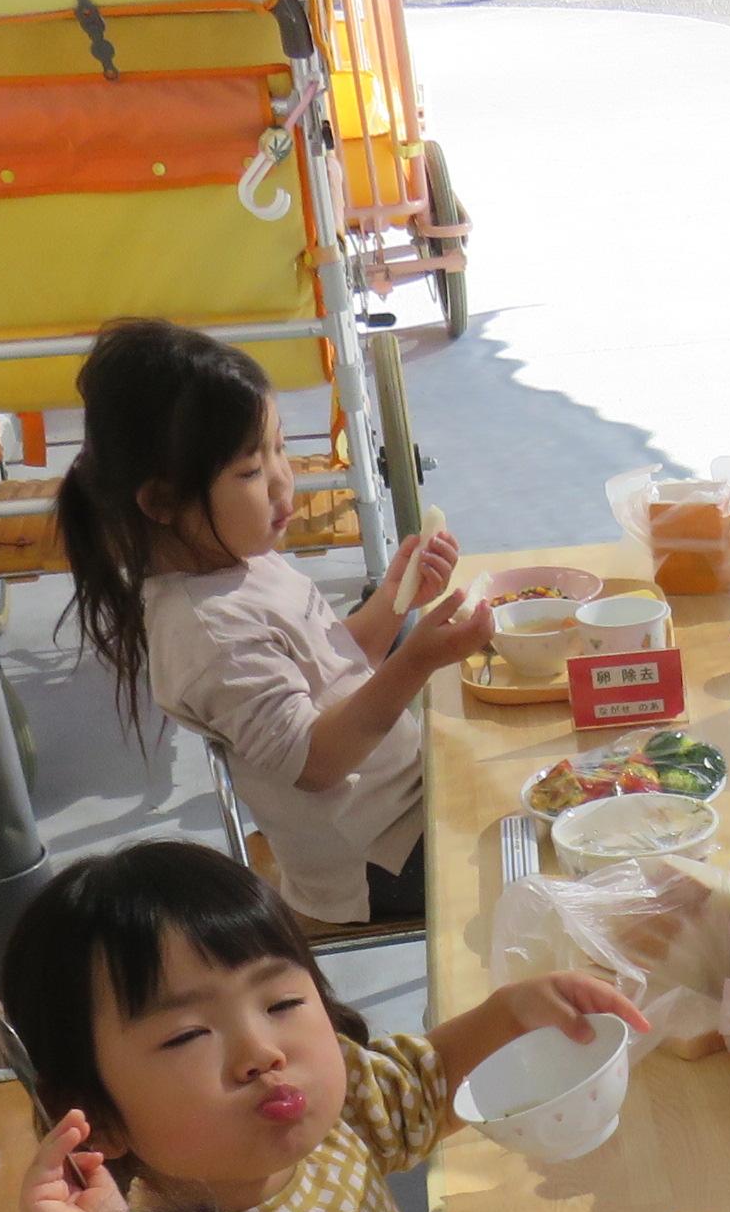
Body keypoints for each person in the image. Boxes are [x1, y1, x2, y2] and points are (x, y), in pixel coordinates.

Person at [0, 842, 643, 1212]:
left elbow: (428, 1081)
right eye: (188, 1035)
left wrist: (513, 1013)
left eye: (281, 1002)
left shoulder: (343, 1117)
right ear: (96, 1117)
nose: (261, 1052)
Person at [57, 319, 491, 931]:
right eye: (249, 471)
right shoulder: (209, 635)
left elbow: (332, 660)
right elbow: (317, 760)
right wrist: (415, 657)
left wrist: (396, 598)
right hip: (379, 860)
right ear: (160, 502)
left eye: (280, 448)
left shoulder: (238, 560)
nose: (284, 480)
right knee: (535, 824)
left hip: (408, 799)